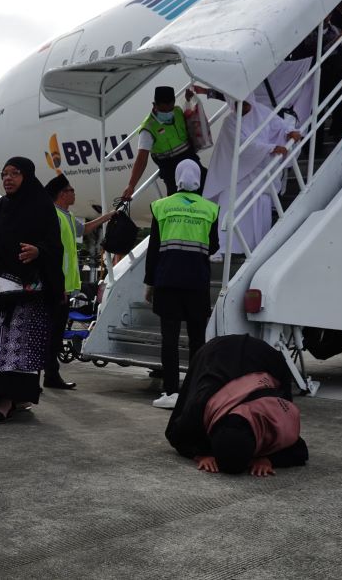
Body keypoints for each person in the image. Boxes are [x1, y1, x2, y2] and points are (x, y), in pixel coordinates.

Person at [0, 157, 64, 424]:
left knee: (15, 344)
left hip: (26, 292)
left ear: (27, 176)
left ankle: (6, 401)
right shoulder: (0, 207)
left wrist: (39, 251)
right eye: (4, 174)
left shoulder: (41, 206)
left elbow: (55, 246)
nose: (7, 179)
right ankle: (9, 397)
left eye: (14, 174)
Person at [165, 334, 309, 476]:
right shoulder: (199, 408)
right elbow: (175, 434)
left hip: (265, 357)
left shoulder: (280, 421)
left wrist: (269, 459)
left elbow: (300, 450)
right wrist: (200, 455)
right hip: (216, 352)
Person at [144, 159, 219, 409]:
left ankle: (170, 392)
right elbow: (215, 245)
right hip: (197, 281)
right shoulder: (210, 208)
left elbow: (153, 249)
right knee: (198, 339)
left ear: (177, 178)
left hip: (167, 281)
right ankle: (196, 389)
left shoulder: (161, 206)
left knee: (170, 338)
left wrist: (149, 283)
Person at [202, 99, 300, 256]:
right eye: (238, 104)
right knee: (230, 210)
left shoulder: (262, 111)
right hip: (235, 175)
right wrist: (271, 148)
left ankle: (256, 249)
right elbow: (243, 147)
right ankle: (228, 249)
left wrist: (290, 131)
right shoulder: (230, 122)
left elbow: (280, 126)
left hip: (260, 173)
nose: (242, 107)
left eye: (246, 104)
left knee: (257, 209)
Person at [43, 173, 114, 390]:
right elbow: (51, 254)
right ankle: (49, 376)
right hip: (57, 287)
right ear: (62, 194)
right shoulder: (53, 216)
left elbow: (86, 228)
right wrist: (58, 286)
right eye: (71, 190)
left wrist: (108, 216)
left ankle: (50, 375)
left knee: (55, 334)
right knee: (51, 334)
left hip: (65, 286)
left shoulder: (66, 216)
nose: (75, 193)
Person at [122, 86, 204, 199]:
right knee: (178, 202)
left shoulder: (178, 111)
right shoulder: (148, 129)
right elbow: (141, 159)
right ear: (154, 105)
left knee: (210, 185)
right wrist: (131, 185)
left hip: (191, 162)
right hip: (172, 171)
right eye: (163, 110)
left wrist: (189, 99)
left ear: (174, 103)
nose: (168, 113)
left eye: (170, 109)